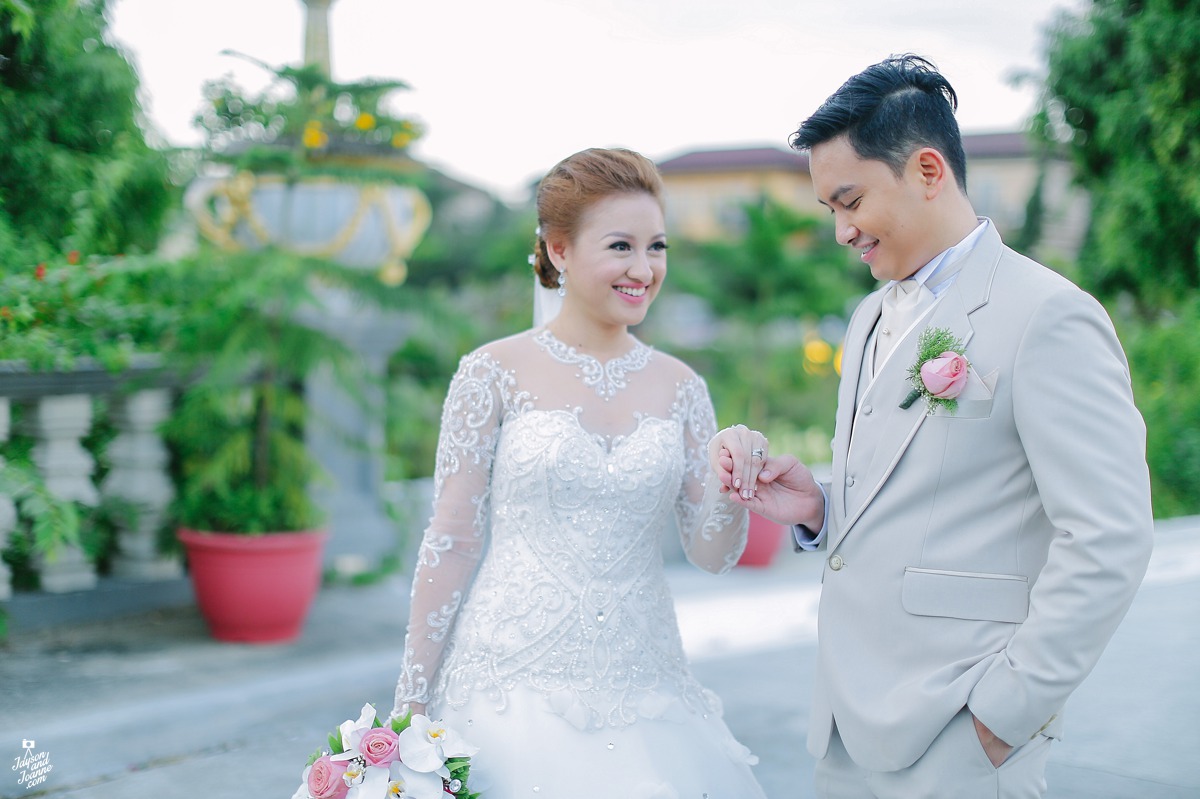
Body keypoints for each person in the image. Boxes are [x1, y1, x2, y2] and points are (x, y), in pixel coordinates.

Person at [717, 55, 1154, 798]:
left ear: (926, 169)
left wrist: (1002, 717)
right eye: (830, 209)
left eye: (849, 201)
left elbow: (1111, 535)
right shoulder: (866, 318)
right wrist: (820, 509)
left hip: (961, 733)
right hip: (845, 727)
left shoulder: (1047, 314)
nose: (841, 231)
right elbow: (920, 494)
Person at [390, 147, 769, 798]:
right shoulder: (491, 371)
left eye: (657, 246)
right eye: (621, 246)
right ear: (558, 250)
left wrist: (734, 479)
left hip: (646, 684)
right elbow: (452, 539)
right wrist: (411, 704)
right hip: (509, 681)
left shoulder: (682, 386)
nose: (644, 269)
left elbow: (711, 553)